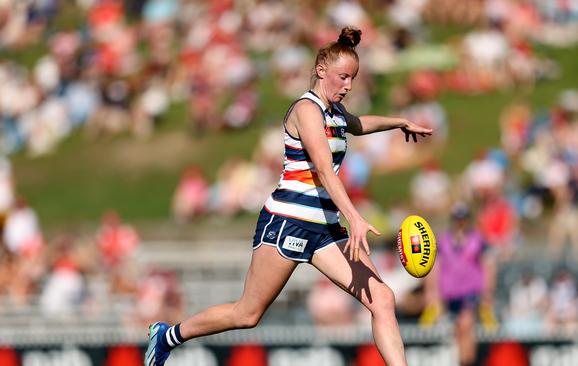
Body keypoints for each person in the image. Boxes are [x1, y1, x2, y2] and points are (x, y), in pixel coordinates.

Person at [145, 26, 433, 366]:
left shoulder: (335, 113)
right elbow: (324, 169)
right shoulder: (306, 110)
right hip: (288, 223)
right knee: (247, 313)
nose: (349, 86)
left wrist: (399, 122)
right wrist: (355, 217)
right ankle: (168, 336)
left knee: (382, 298)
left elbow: (358, 124)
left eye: (353, 79)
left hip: (324, 229)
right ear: (321, 70)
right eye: (343, 77)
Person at [422, 203, 495, 366]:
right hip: (449, 293)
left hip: (470, 291)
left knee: (465, 325)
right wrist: (431, 291)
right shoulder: (443, 241)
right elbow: (434, 267)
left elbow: (489, 266)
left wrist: (487, 292)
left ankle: (467, 361)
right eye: (458, 219)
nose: (460, 223)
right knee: (456, 331)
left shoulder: (477, 239)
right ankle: (462, 360)